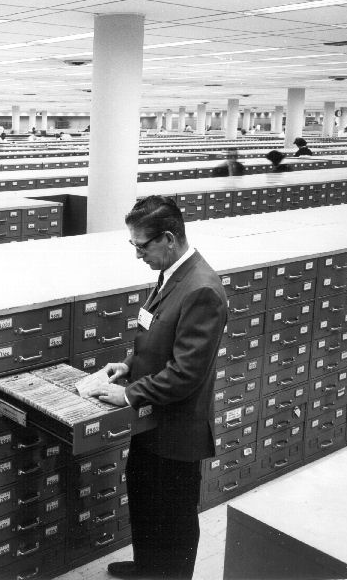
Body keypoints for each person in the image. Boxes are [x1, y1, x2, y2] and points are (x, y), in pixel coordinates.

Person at [96, 196, 228, 579]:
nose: (138, 254)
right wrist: (128, 365)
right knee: (145, 500)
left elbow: (187, 372)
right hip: (151, 421)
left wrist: (130, 394)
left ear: (168, 238)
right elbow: (155, 335)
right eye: (133, 245)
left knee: (172, 517)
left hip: (176, 429)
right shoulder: (171, 274)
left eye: (142, 245)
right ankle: (147, 568)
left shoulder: (202, 288)